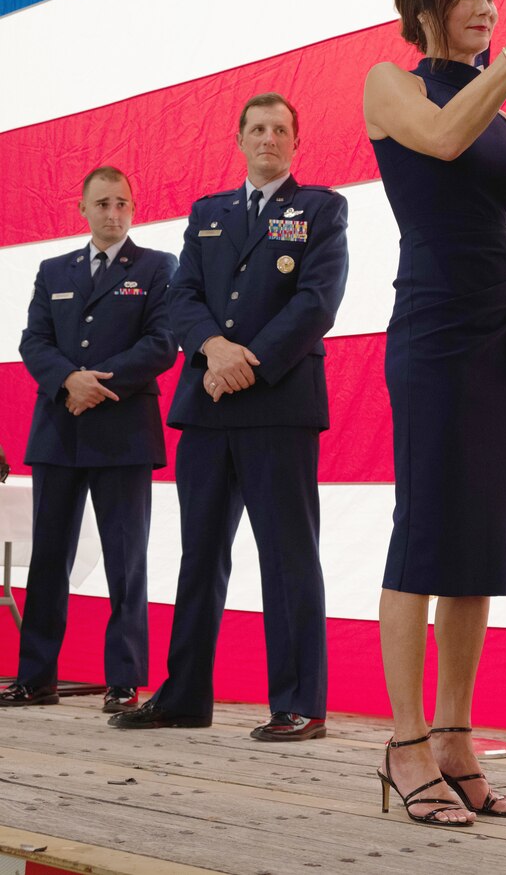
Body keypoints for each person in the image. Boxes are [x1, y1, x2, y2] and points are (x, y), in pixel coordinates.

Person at [363, 0, 506, 825]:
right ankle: (404, 740)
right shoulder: (393, 84)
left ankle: (455, 736)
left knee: (479, 538)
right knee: (424, 528)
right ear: (425, 9)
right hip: (432, 323)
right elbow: (444, 139)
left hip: (497, 326)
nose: (487, 9)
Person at [109, 92, 348, 741]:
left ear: (295, 141)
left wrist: (249, 359)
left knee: (287, 553)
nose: (268, 137)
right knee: (200, 554)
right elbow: (183, 294)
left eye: (279, 129)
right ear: (239, 139)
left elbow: (316, 301)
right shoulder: (208, 214)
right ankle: (184, 695)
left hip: (279, 401)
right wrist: (214, 349)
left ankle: (299, 702)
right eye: (257, 128)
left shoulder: (321, 208)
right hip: (208, 401)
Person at [0, 166, 178, 713]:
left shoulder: (156, 267)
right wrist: (66, 381)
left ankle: (124, 679)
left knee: (127, 561)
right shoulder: (54, 268)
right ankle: (35, 677)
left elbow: (162, 342)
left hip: (122, 433)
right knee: (49, 557)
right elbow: (34, 340)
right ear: (82, 208)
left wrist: (92, 384)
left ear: (133, 207)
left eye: (121, 202)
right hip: (59, 429)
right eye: (102, 203)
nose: (112, 212)